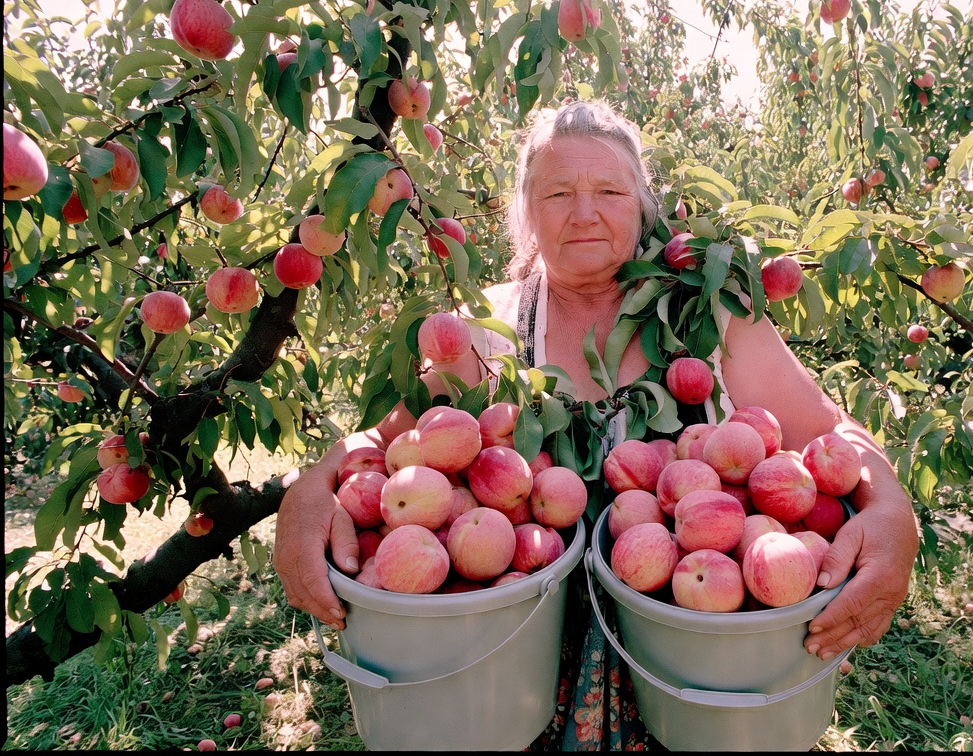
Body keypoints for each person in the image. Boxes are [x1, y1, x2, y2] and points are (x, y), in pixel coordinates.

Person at [272, 99, 920, 749]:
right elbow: (387, 449)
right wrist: (313, 486)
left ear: (642, 205)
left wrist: (891, 508)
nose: (585, 213)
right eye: (558, 193)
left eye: (610, 191)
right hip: (504, 685)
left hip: (694, 677)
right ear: (525, 212)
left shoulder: (710, 320)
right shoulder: (483, 333)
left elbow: (830, 433)